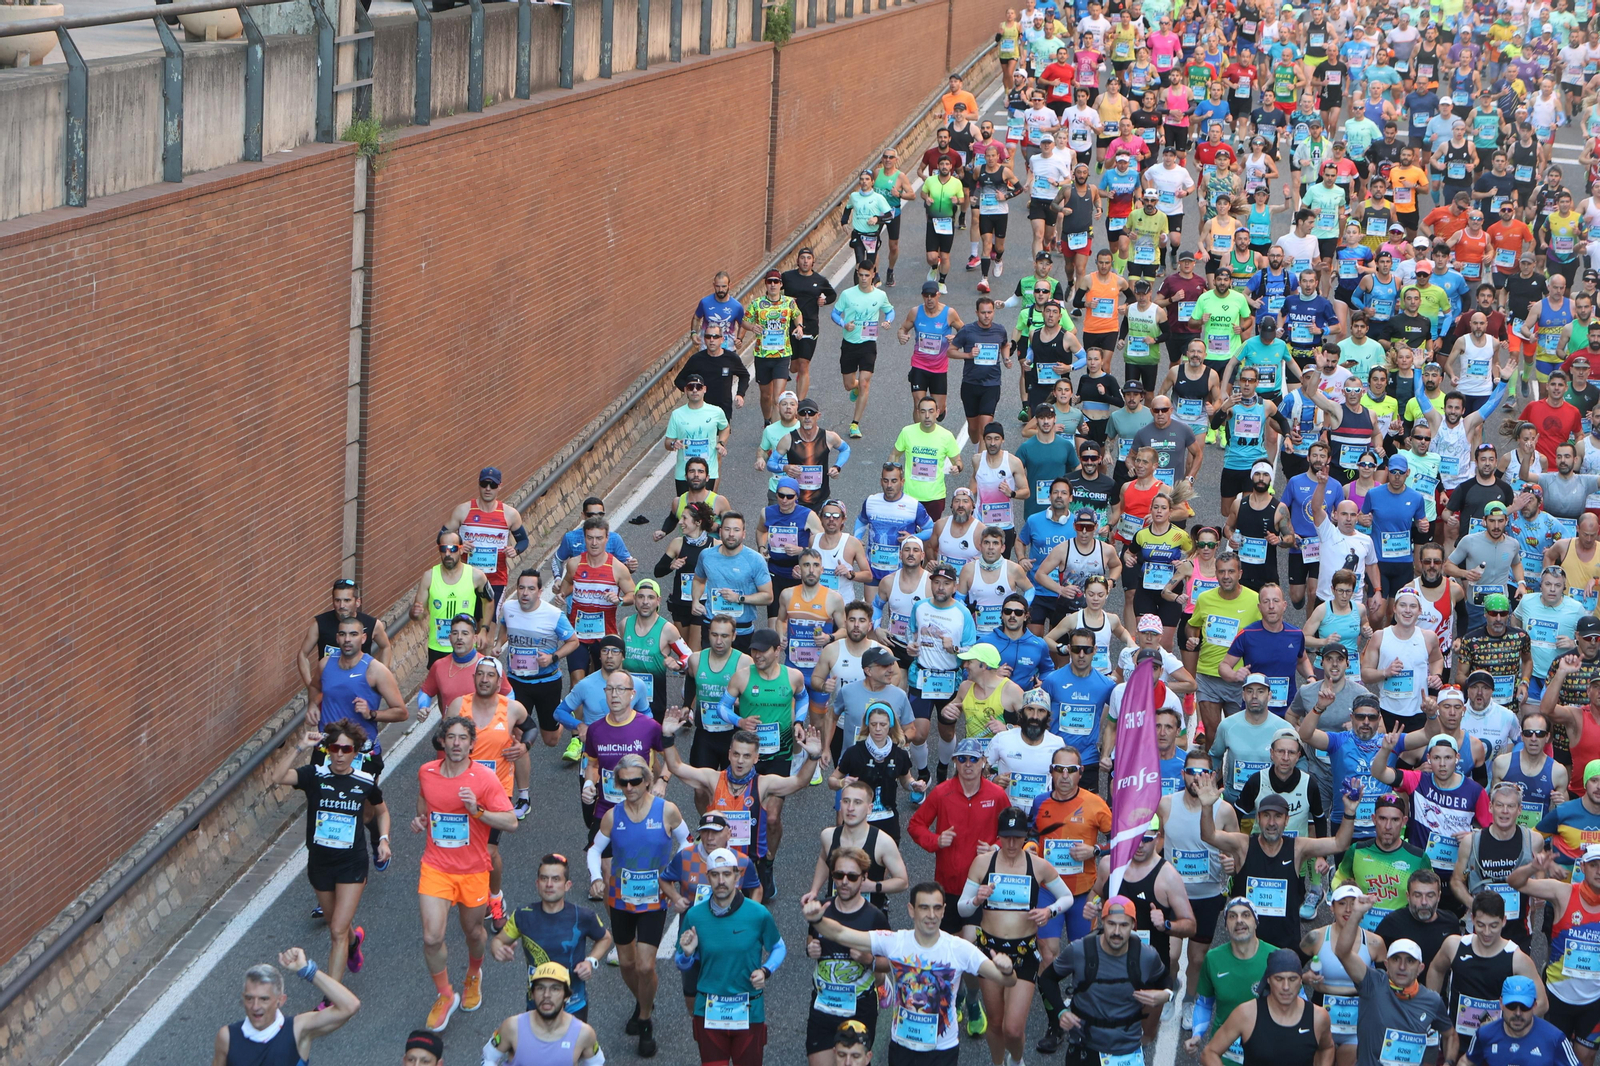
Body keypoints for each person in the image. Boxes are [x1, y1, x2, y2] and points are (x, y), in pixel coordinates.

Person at [802, 881, 1018, 1066]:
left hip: (942, 1051)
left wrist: (1007, 970)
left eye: (936, 908)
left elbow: (1006, 981)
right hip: (902, 1047)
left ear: (944, 910)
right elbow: (842, 933)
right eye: (924, 908)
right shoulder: (896, 942)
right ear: (911, 910)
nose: (931, 915)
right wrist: (818, 920)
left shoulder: (959, 949)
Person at [414, 715, 518, 1031]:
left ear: (472, 744)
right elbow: (425, 805)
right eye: (451, 737)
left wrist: (478, 811)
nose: (457, 743)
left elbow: (511, 822)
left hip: (473, 870)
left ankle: (474, 973)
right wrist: (421, 821)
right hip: (436, 866)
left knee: (473, 932)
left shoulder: (484, 780)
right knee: (432, 936)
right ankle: (445, 994)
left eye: (463, 738)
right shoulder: (426, 772)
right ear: (442, 741)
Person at [269, 722, 388, 990]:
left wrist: (383, 839)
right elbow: (277, 776)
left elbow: (381, 812)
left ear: (355, 752)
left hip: (352, 863)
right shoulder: (314, 775)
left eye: (346, 749)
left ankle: (333, 996)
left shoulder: (364, 782)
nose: (340, 754)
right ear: (327, 749)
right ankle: (354, 942)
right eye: (334, 748)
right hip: (320, 864)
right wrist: (300, 746)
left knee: (336, 932)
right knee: (338, 924)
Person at [585, 754, 689, 1057]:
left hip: (654, 900)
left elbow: (687, 842)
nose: (629, 787)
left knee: (646, 965)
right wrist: (595, 877)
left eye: (635, 781)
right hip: (620, 899)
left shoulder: (667, 811)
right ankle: (644, 1000)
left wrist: (673, 873)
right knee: (628, 965)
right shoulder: (612, 816)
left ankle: (645, 1020)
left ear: (647, 781)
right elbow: (595, 850)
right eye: (623, 782)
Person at [957, 807, 1077, 1066]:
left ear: (1026, 836)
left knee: (1013, 1028)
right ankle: (998, 1063)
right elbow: (962, 907)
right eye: (1006, 837)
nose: (1011, 843)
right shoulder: (983, 863)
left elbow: (1066, 897)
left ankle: (1016, 1059)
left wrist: (1049, 911)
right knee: (997, 1023)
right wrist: (976, 899)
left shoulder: (1039, 866)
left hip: (1024, 953)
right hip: (989, 950)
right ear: (998, 836)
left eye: (1017, 837)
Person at [906, 737, 1009, 1035]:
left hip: (979, 889)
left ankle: (971, 1000)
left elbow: (1013, 832)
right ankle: (960, 995)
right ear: (954, 763)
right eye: (961, 759)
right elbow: (915, 825)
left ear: (983, 763)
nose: (967, 765)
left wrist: (994, 847)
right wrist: (936, 841)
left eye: (973, 760)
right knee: (950, 951)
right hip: (947, 887)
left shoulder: (996, 795)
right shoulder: (941, 793)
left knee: (968, 947)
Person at [1197, 769, 1358, 951]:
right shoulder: (1243, 845)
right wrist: (1206, 806)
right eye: (1266, 816)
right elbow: (1209, 835)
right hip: (1247, 947)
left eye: (1278, 816)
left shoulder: (1298, 848)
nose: (1272, 823)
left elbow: (1340, 843)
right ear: (1258, 818)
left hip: (1285, 948)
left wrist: (1350, 812)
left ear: (1286, 820)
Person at [673, 847, 785, 1066]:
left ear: (737, 876)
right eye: (715, 875)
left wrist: (765, 970)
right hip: (708, 1010)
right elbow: (681, 961)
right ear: (708, 878)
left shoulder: (758, 913)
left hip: (749, 1010)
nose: (721, 881)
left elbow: (779, 947)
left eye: (726, 874)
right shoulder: (695, 915)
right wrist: (687, 954)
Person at [1036, 894, 1172, 1063]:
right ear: (1102, 922)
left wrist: (1166, 995)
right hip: (1084, 1047)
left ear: (1133, 926)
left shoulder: (1147, 955)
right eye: (1111, 924)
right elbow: (1047, 978)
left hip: (1127, 1051)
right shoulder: (1080, 950)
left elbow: (1165, 980)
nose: (1116, 932)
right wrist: (1061, 1011)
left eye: (1123, 925)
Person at [446, 658, 529, 928]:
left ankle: (495, 898)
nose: (484, 679)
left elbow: (531, 728)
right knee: (463, 847)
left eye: (490, 675)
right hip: (462, 788)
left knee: (489, 851)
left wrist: (524, 747)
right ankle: (471, 893)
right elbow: (442, 737)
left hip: (496, 792)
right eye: (480, 674)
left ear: (499, 680)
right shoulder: (459, 705)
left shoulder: (512, 708)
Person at [1424, 890, 1546, 1063]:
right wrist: (1435, 1007)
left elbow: (1542, 1003)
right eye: (1480, 925)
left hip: (1496, 1043)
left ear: (1504, 921)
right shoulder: (1454, 945)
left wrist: (1506, 1023)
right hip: (1456, 1040)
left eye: (1494, 925)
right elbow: (1436, 969)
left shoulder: (1516, 957)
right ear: (1472, 919)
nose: (1487, 932)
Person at [490, 853, 612, 1021]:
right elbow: (498, 941)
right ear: (537, 883)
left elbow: (605, 938)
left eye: (556, 879)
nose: (549, 884)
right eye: (544, 879)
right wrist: (497, 949)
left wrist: (591, 961)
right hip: (536, 1004)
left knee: (575, 1048)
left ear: (567, 885)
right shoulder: (522, 915)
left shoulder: (583, 916)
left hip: (573, 1005)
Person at [800, 845, 891, 1066]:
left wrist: (869, 960)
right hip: (823, 1006)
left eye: (852, 876)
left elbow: (889, 963)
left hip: (859, 1009)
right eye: (838, 875)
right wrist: (810, 948)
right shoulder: (822, 909)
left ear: (864, 878)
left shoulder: (874, 918)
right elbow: (812, 939)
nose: (844, 882)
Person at [1509, 841, 1600, 1062]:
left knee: (1584, 1058)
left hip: (1594, 1000)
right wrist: (1533, 867)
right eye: (1594, 864)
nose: (1599, 871)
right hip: (1558, 996)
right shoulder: (1564, 892)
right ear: (1583, 867)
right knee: (1549, 1055)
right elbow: (1515, 882)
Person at [1331, 898, 1449, 1066]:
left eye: (1410, 961)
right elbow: (1342, 952)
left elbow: (1449, 1034)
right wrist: (1356, 914)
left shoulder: (1432, 1000)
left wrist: (1449, 1062)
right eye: (1396, 959)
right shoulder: (1372, 983)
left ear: (1420, 967)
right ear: (1386, 964)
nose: (1402, 966)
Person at [212, 948, 360, 1066]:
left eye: (264, 999)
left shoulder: (298, 1030)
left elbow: (350, 1005)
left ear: (280, 1000)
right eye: (249, 998)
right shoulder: (227, 1037)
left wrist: (307, 970)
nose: (255, 1006)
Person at [497, 569, 581, 762]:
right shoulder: (509, 608)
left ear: (540, 591)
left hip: (547, 682)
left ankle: (560, 711)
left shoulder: (553, 615)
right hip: (517, 681)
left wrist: (553, 657)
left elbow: (573, 641)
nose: (525, 593)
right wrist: (498, 644)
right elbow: (504, 625)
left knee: (550, 740)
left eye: (530, 589)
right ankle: (522, 788)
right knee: (518, 735)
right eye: (521, 588)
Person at [1200, 947, 1332, 1066]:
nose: (1286, 987)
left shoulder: (1318, 1017)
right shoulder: (1247, 1014)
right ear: (1268, 980)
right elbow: (1209, 1053)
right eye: (1279, 979)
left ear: (1300, 981)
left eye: (1292, 979)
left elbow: (1327, 1048)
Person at [1184, 898, 1277, 1060]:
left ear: (1256, 922)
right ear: (1226, 925)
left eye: (1246, 915)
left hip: (1267, 1051)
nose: (1239, 921)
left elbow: (1299, 1002)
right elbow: (1204, 1004)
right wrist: (1197, 1034)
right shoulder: (1213, 959)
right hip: (1225, 1054)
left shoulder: (1276, 957)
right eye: (1232, 916)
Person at [558, 519, 637, 679]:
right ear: (584, 538)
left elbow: (633, 595)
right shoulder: (574, 563)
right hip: (578, 635)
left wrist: (619, 600)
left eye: (599, 538)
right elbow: (567, 581)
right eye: (590, 538)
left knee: (604, 681)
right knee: (577, 682)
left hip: (604, 635)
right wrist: (562, 593)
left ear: (607, 538)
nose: (594, 543)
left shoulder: (617, 568)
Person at [481, 963, 603, 1066]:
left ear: (566, 996)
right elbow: (488, 1059)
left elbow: (596, 1063)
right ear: (532, 994)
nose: (546, 995)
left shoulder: (584, 1034)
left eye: (555, 989)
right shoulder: (512, 1027)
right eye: (540, 988)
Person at [443, 466, 529, 601]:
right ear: (479, 484)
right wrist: (458, 547)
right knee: (465, 621)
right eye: (484, 484)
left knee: (490, 622)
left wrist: (515, 550)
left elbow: (524, 540)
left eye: (493, 485)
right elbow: (441, 537)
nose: (488, 488)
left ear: (500, 486)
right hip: (465, 579)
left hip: (496, 580)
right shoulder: (463, 510)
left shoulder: (510, 514)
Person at [1462, 974, 1584, 1066]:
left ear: (1534, 1006)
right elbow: (1467, 1061)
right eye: (1512, 1006)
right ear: (1501, 1003)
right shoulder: (1484, 1034)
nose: (1518, 1013)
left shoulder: (1555, 1039)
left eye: (1525, 1007)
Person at [296, 578, 391, 690]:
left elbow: (385, 647)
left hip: (360, 690)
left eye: (347, 600)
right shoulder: (320, 624)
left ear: (357, 602)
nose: (342, 605)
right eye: (337, 600)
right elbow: (302, 654)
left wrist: (381, 679)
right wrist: (311, 687)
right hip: (329, 691)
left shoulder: (372, 624)